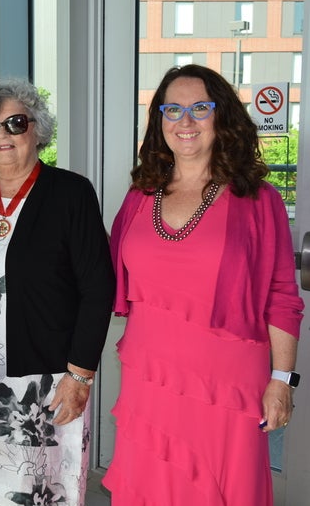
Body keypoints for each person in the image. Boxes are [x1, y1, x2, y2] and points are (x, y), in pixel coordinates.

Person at [103, 64, 304, 505]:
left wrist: (281, 380)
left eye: (200, 108)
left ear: (222, 116)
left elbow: (282, 296)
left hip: (227, 384)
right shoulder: (140, 195)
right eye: (172, 110)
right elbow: (103, 273)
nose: (185, 121)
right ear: (159, 120)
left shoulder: (257, 198)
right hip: (149, 377)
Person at [0, 78, 115, 505]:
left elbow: (98, 287)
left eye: (15, 123)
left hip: (40, 385)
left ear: (37, 129)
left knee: (31, 491)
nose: (2, 136)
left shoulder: (70, 192)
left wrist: (79, 375)